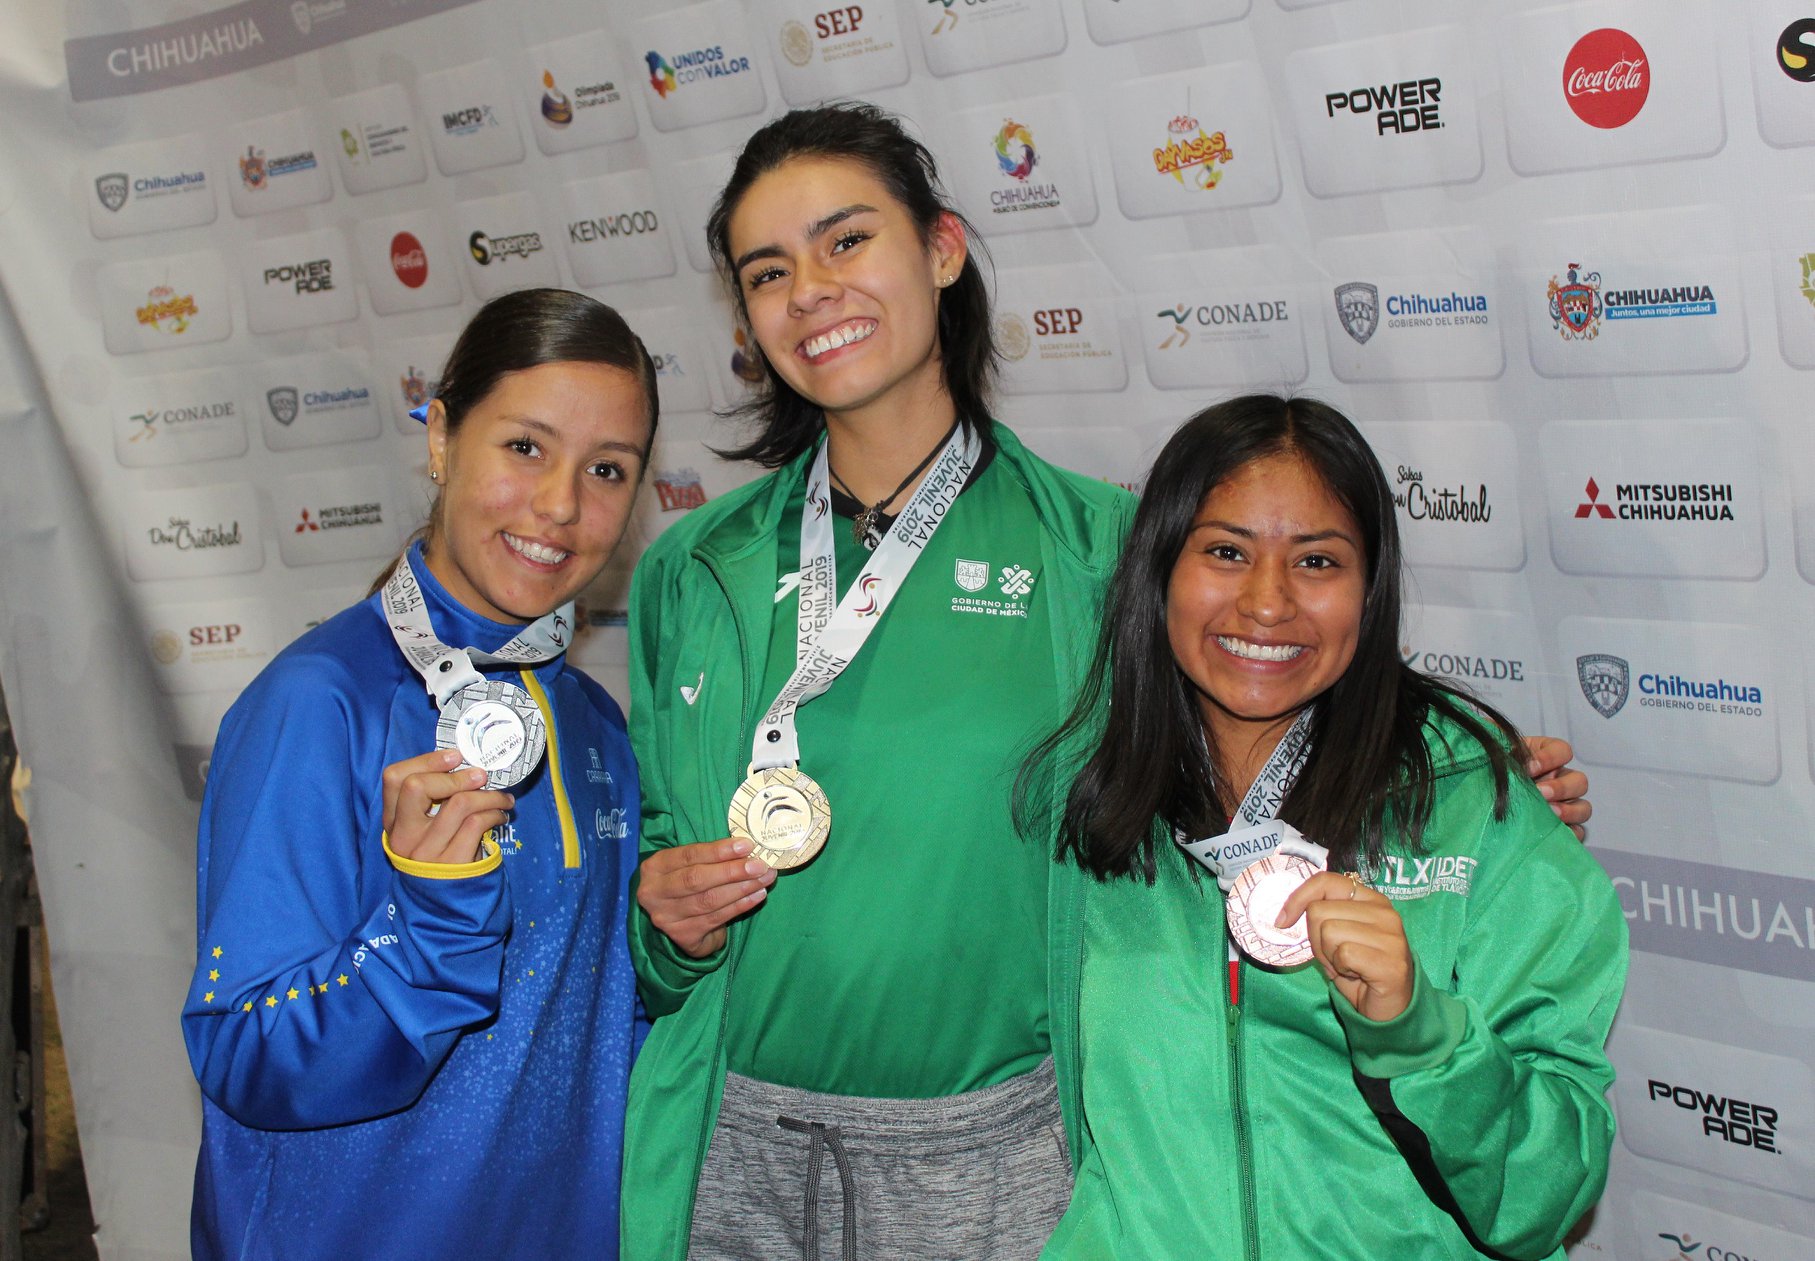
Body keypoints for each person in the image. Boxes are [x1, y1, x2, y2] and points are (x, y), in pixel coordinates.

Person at [620, 103, 1591, 1261]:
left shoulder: (1103, 548)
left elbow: (1266, 687)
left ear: (941, 248)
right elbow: (661, 897)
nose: (811, 290)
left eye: (846, 241)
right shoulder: (693, 568)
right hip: (736, 1149)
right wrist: (665, 926)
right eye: (767, 270)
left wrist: (1457, 778)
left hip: (1002, 1153)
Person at [1037, 394, 1628, 1260]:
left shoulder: (1477, 808)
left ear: (1369, 587)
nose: (1267, 602)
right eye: (1225, 551)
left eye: (1316, 561)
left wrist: (1424, 1035)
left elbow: (1550, 1195)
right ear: (1158, 566)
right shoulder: (1084, 800)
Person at [181, 289, 658, 1260]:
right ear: (440, 437)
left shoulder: (595, 727)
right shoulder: (320, 704)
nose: (562, 505)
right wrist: (428, 928)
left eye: (606, 469)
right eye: (525, 447)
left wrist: (674, 946)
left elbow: (596, 1039)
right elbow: (241, 1049)